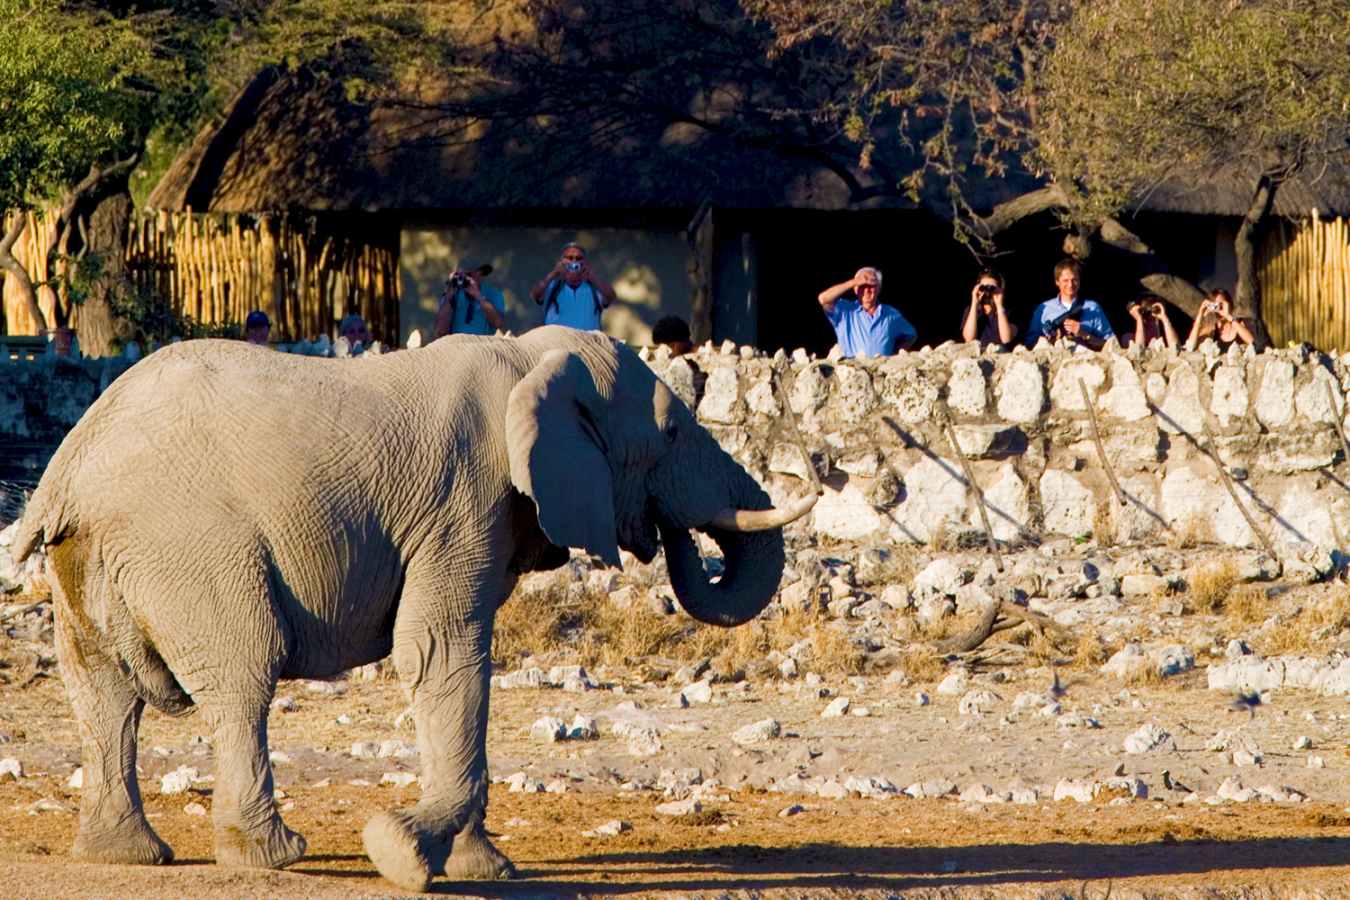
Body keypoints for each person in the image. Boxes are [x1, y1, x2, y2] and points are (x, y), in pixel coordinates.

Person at [817, 266, 916, 358]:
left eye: (871, 285)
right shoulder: (845, 310)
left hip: (882, 372)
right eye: (862, 285)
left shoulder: (891, 314)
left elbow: (911, 335)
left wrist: (895, 353)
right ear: (855, 289)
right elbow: (823, 299)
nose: (867, 290)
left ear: (878, 288)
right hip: (851, 371)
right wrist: (854, 282)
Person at [1023, 258, 1114, 349]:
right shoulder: (1043, 309)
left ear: (1079, 281)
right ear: (1057, 282)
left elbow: (1110, 344)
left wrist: (1084, 334)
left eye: (1074, 280)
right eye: (1065, 280)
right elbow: (1029, 344)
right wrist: (1050, 341)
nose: (1070, 285)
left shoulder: (1093, 308)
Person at [528, 242, 617, 331]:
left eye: (579, 258)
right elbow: (535, 294)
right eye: (570, 258)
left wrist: (593, 277)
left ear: (585, 262)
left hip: (587, 343)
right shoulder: (553, 286)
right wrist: (554, 273)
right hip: (556, 343)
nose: (574, 262)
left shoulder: (594, 288)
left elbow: (611, 296)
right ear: (562, 261)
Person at [434, 263, 505, 338]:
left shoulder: (493, 294)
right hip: (456, 345)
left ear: (480, 273)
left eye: (468, 274)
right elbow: (440, 332)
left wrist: (478, 296)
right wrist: (449, 295)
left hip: (482, 345)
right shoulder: (452, 294)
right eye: (460, 275)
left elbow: (498, 323)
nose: (463, 278)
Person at [1184, 288, 1256, 351]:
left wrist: (1228, 316)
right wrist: (1200, 314)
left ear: (1229, 305)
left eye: (1221, 305)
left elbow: (1252, 342)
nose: (1219, 309)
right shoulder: (1211, 329)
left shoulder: (1239, 324)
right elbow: (1190, 346)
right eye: (1215, 306)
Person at [960, 269, 1017, 348]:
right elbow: (969, 339)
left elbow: (1006, 339)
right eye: (983, 288)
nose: (987, 292)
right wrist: (974, 304)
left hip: (1000, 355)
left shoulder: (1008, 311)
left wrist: (999, 306)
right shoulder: (971, 310)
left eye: (992, 288)